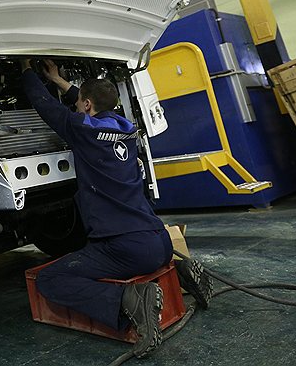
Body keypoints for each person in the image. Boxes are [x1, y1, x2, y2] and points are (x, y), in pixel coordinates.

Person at [20, 59, 212, 358]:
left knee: (51, 279)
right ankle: (180, 272)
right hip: (160, 243)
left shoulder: (82, 130)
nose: (77, 107)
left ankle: (131, 299)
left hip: (126, 248)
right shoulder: (126, 129)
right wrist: (58, 80)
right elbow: (90, 102)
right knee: (131, 258)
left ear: (86, 105)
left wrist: (26, 70)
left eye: (81, 104)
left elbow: (44, 105)